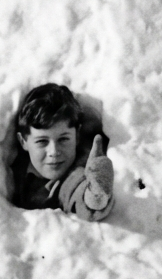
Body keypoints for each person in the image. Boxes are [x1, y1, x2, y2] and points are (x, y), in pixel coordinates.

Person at [10, 83, 115, 222]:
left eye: (63, 139)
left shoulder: (74, 175)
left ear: (77, 136)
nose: (54, 152)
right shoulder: (16, 168)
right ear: (23, 141)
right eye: (42, 141)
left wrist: (96, 193)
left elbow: (79, 195)